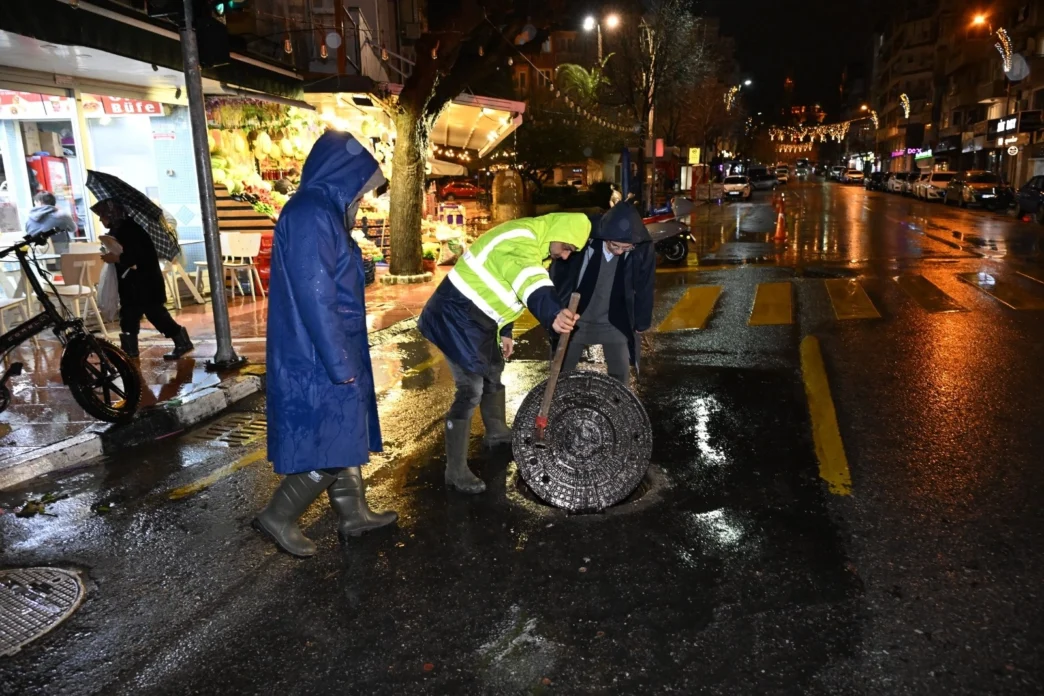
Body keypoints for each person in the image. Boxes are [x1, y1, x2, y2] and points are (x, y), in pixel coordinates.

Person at [254, 131, 396, 558]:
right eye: (362, 188)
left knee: (344, 432)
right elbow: (316, 298)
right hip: (317, 352)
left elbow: (335, 278)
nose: (363, 198)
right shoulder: (312, 214)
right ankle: (278, 514)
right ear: (343, 177)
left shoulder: (325, 212)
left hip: (332, 345)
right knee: (331, 441)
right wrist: (338, 362)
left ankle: (353, 514)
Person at [419, 213, 591, 494]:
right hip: (454, 315)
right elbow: (527, 278)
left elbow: (508, 285)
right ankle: (456, 470)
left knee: (494, 371)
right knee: (470, 389)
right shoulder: (520, 240)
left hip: (480, 319)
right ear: (560, 232)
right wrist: (553, 314)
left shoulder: (537, 245)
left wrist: (506, 331)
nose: (565, 255)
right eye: (568, 248)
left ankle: (497, 432)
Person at [549, 202, 655, 384]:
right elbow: (559, 277)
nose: (621, 252)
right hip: (575, 319)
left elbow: (645, 285)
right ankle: (561, 408)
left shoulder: (641, 247)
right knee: (561, 375)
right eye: (616, 246)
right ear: (606, 237)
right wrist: (555, 311)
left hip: (614, 320)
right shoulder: (582, 242)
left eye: (627, 248)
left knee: (620, 377)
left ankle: (616, 410)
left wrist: (641, 322)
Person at [92, 198, 193, 360]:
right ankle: (130, 351)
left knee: (156, 314)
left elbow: (136, 256)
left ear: (112, 214)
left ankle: (182, 341)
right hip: (133, 285)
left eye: (102, 215)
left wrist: (116, 258)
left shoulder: (130, 230)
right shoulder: (119, 229)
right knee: (129, 316)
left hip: (144, 283)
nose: (100, 219)